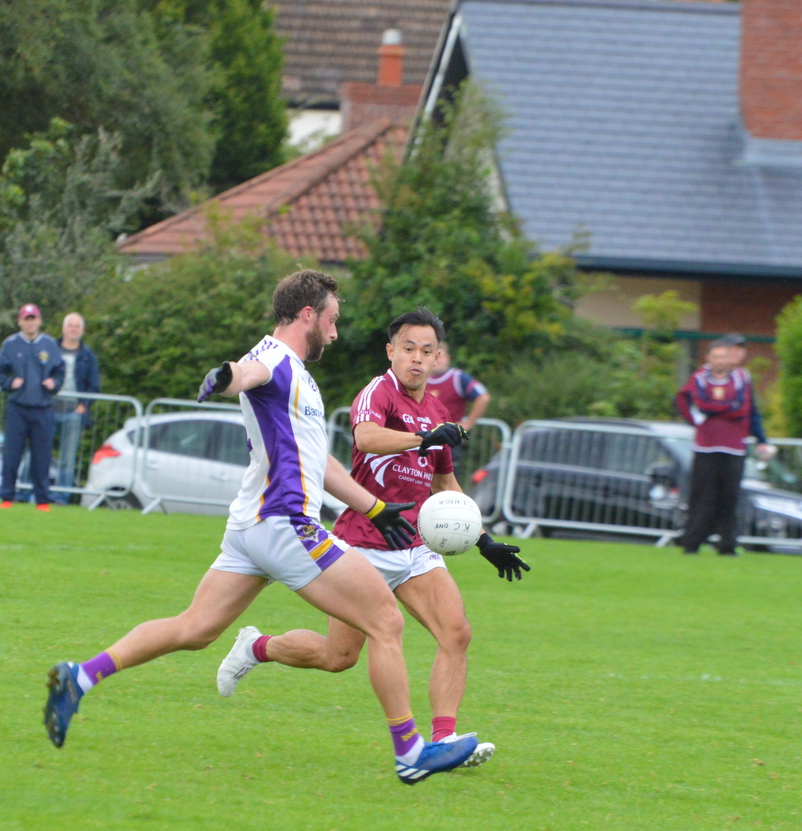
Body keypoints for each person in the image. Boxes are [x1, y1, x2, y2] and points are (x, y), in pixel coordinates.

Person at [42, 270, 481, 786]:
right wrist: (223, 378)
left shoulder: (297, 375)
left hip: (249, 527)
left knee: (196, 628)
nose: (336, 334)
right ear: (308, 316)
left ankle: (81, 676)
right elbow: (244, 372)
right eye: (333, 321)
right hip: (286, 524)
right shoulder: (274, 357)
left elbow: (321, 465)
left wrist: (377, 510)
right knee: (386, 623)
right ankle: (410, 752)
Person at [215, 308, 530, 770]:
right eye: (408, 349)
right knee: (337, 656)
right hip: (364, 541)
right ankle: (256, 646)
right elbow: (366, 439)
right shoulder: (378, 393)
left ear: (438, 357)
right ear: (391, 351)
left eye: (427, 351)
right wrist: (422, 438)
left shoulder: (437, 411)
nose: (417, 359)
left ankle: (445, 741)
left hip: (415, 546)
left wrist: (483, 540)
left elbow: (446, 486)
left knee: (456, 632)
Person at [675, 335, 774, 556]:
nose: (728, 357)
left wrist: (762, 440)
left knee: (729, 496)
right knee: (702, 496)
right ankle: (691, 542)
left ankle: (727, 544)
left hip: (734, 446)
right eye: (725, 352)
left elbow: (746, 410)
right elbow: (691, 402)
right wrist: (702, 418)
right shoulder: (700, 377)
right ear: (710, 356)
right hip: (706, 446)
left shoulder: (741, 378)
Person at [0, 303, 64, 511]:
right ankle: (7, 497)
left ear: (39, 321)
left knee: (42, 456)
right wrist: (9, 383)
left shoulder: (49, 345)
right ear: (20, 322)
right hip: (18, 408)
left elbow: (60, 372)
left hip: (42, 408)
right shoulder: (11, 344)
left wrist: (54, 384)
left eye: (33, 319)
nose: (30, 323)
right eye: (26, 319)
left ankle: (42, 500)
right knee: (12, 454)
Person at [52, 312, 101, 504]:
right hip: (48, 409)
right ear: (63, 328)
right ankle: (27, 492)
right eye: (70, 325)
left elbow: (93, 385)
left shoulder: (88, 356)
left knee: (67, 458)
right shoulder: (50, 349)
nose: (73, 329)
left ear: (82, 331)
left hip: (73, 412)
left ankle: (61, 497)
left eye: (77, 326)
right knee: (37, 453)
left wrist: (84, 406)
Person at [425, 343, 490, 478]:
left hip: (448, 442)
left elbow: (483, 397)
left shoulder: (457, 377)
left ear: (448, 358)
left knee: (446, 485)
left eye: (441, 356)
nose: (438, 360)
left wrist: (468, 423)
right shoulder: (420, 378)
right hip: (422, 439)